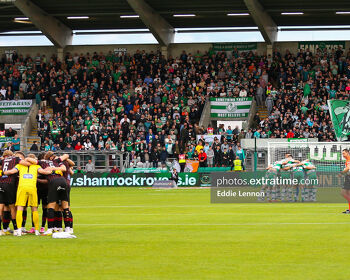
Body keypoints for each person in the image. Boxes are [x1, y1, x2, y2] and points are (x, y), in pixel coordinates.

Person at [3, 154, 52, 236]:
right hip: (32, 188)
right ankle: (36, 230)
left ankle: (18, 230)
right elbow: (44, 172)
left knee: (20, 208)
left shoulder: (19, 165)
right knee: (34, 209)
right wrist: (50, 171)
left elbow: (12, 171)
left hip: (22, 188)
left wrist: (4, 172)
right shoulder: (36, 166)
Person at [340, 149, 350, 213]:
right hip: (348, 177)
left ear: (348, 153)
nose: (343, 155)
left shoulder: (349, 160)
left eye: (344, 153)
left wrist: (341, 173)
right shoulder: (347, 160)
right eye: (342, 154)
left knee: (343, 193)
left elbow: (348, 168)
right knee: (348, 194)